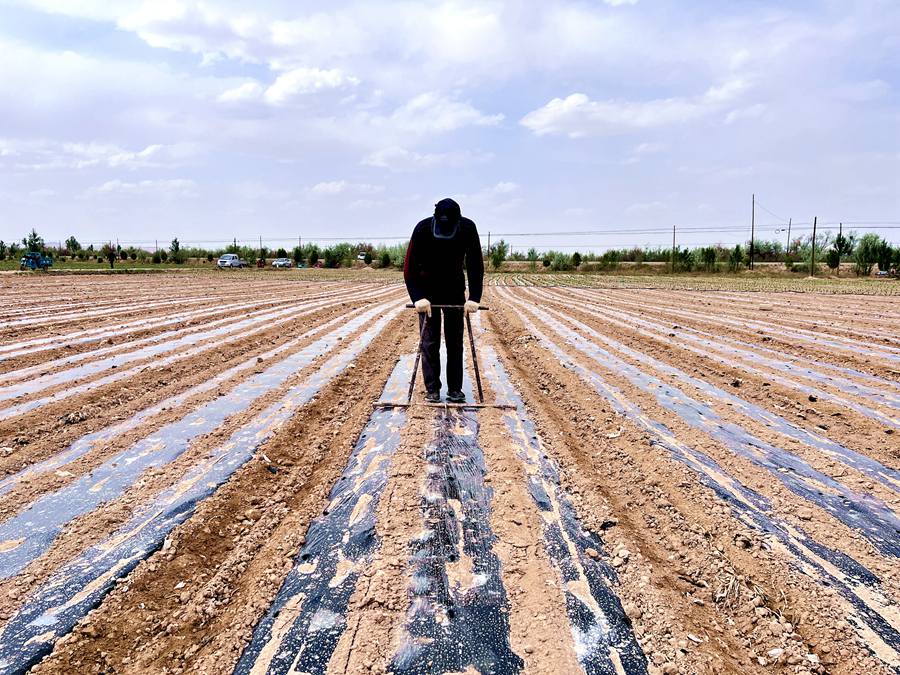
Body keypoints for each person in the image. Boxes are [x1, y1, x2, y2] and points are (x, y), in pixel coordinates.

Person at [403, 198, 484, 403]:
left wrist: (474, 297)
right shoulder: (422, 229)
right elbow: (410, 266)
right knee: (429, 342)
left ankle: (455, 389)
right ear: (435, 218)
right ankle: (432, 389)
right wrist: (417, 297)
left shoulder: (467, 228)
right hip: (426, 293)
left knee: (455, 342)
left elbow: (475, 264)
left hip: (455, 290)